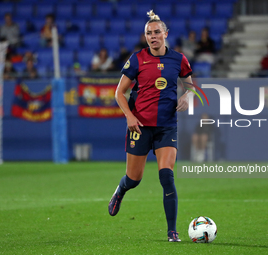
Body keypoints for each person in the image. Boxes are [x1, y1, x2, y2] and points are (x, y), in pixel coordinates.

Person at [108, 10, 193, 242]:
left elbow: (190, 83)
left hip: (167, 127)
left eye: (157, 32)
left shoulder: (179, 59)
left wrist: (187, 96)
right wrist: (129, 116)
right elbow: (119, 93)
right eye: (149, 33)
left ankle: (172, 232)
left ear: (166, 34)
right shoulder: (137, 59)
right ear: (145, 36)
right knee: (134, 179)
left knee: (167, 176)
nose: (153, 36)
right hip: (140, 126)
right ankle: (121, 189)